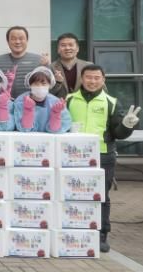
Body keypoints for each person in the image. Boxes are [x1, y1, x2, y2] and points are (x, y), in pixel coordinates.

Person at [66, 64, 139, 253]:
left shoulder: (111, 102)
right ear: (82, 79)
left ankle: (101, 234)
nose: (92, 81)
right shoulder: (69, 99)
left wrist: (127, 125)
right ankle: (74, 230)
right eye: (88, 77)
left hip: (102, 155)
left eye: (96, 78)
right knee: (71, 194)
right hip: (72, 156)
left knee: (100, 197)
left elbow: (118, 134)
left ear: (103, 80)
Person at [0, 26, 55, 98]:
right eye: (13, 39)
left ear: (27, 40)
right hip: (4, 102)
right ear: (8, 41)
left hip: (30, 102)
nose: (17, 42)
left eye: (21, 38)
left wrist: (45, 66)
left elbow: (48, 86)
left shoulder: (39, 60)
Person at [13, 66, 71, 133]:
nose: (40, 86)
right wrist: (28, 111)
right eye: (36, 84)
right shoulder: (21, 101)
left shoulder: (55, 102)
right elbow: (24, 130)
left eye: (44, 84)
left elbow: (56, 131)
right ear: (30, 85)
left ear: (50, 85)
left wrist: (56, 114)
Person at [51, 32, 92, 97]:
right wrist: (58, 83)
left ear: (77, 48)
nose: (67, 48)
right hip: (59, 103)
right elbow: (47, 93)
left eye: (71, 45)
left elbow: (101, 90)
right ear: (58, 49)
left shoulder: (88, 66)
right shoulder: (50, 68)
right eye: (63, 45)